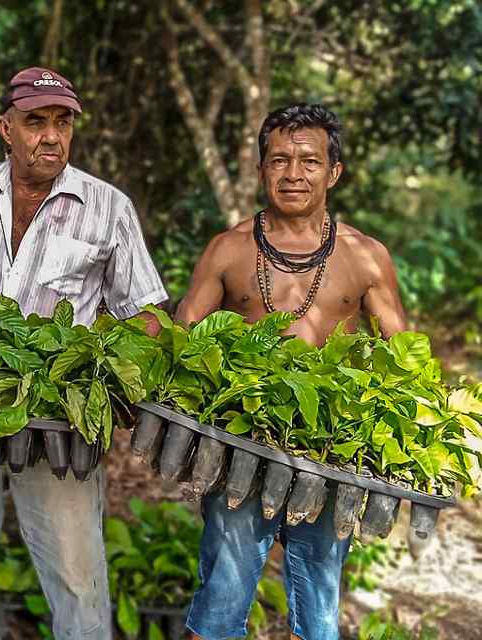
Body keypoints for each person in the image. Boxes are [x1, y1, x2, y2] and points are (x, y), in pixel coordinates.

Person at [0, 67, 168, 639]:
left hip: (58, 415)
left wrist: (119, 381)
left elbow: (144, 317)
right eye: (35, 121)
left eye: (62, 122)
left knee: (76, 572)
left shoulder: (108, 207)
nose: (51, 136)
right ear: (5, 129)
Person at [176, 104, 406, 640]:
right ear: (260, 170)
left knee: (320, 602)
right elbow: (183, 339)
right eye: (279, 160)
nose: (293, 174)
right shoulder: (229, 249)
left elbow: (403, 358)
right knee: (223, 591)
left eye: (309, 161)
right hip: (242, 444)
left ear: (334, 172)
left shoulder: (367, 258)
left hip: (331, 450)